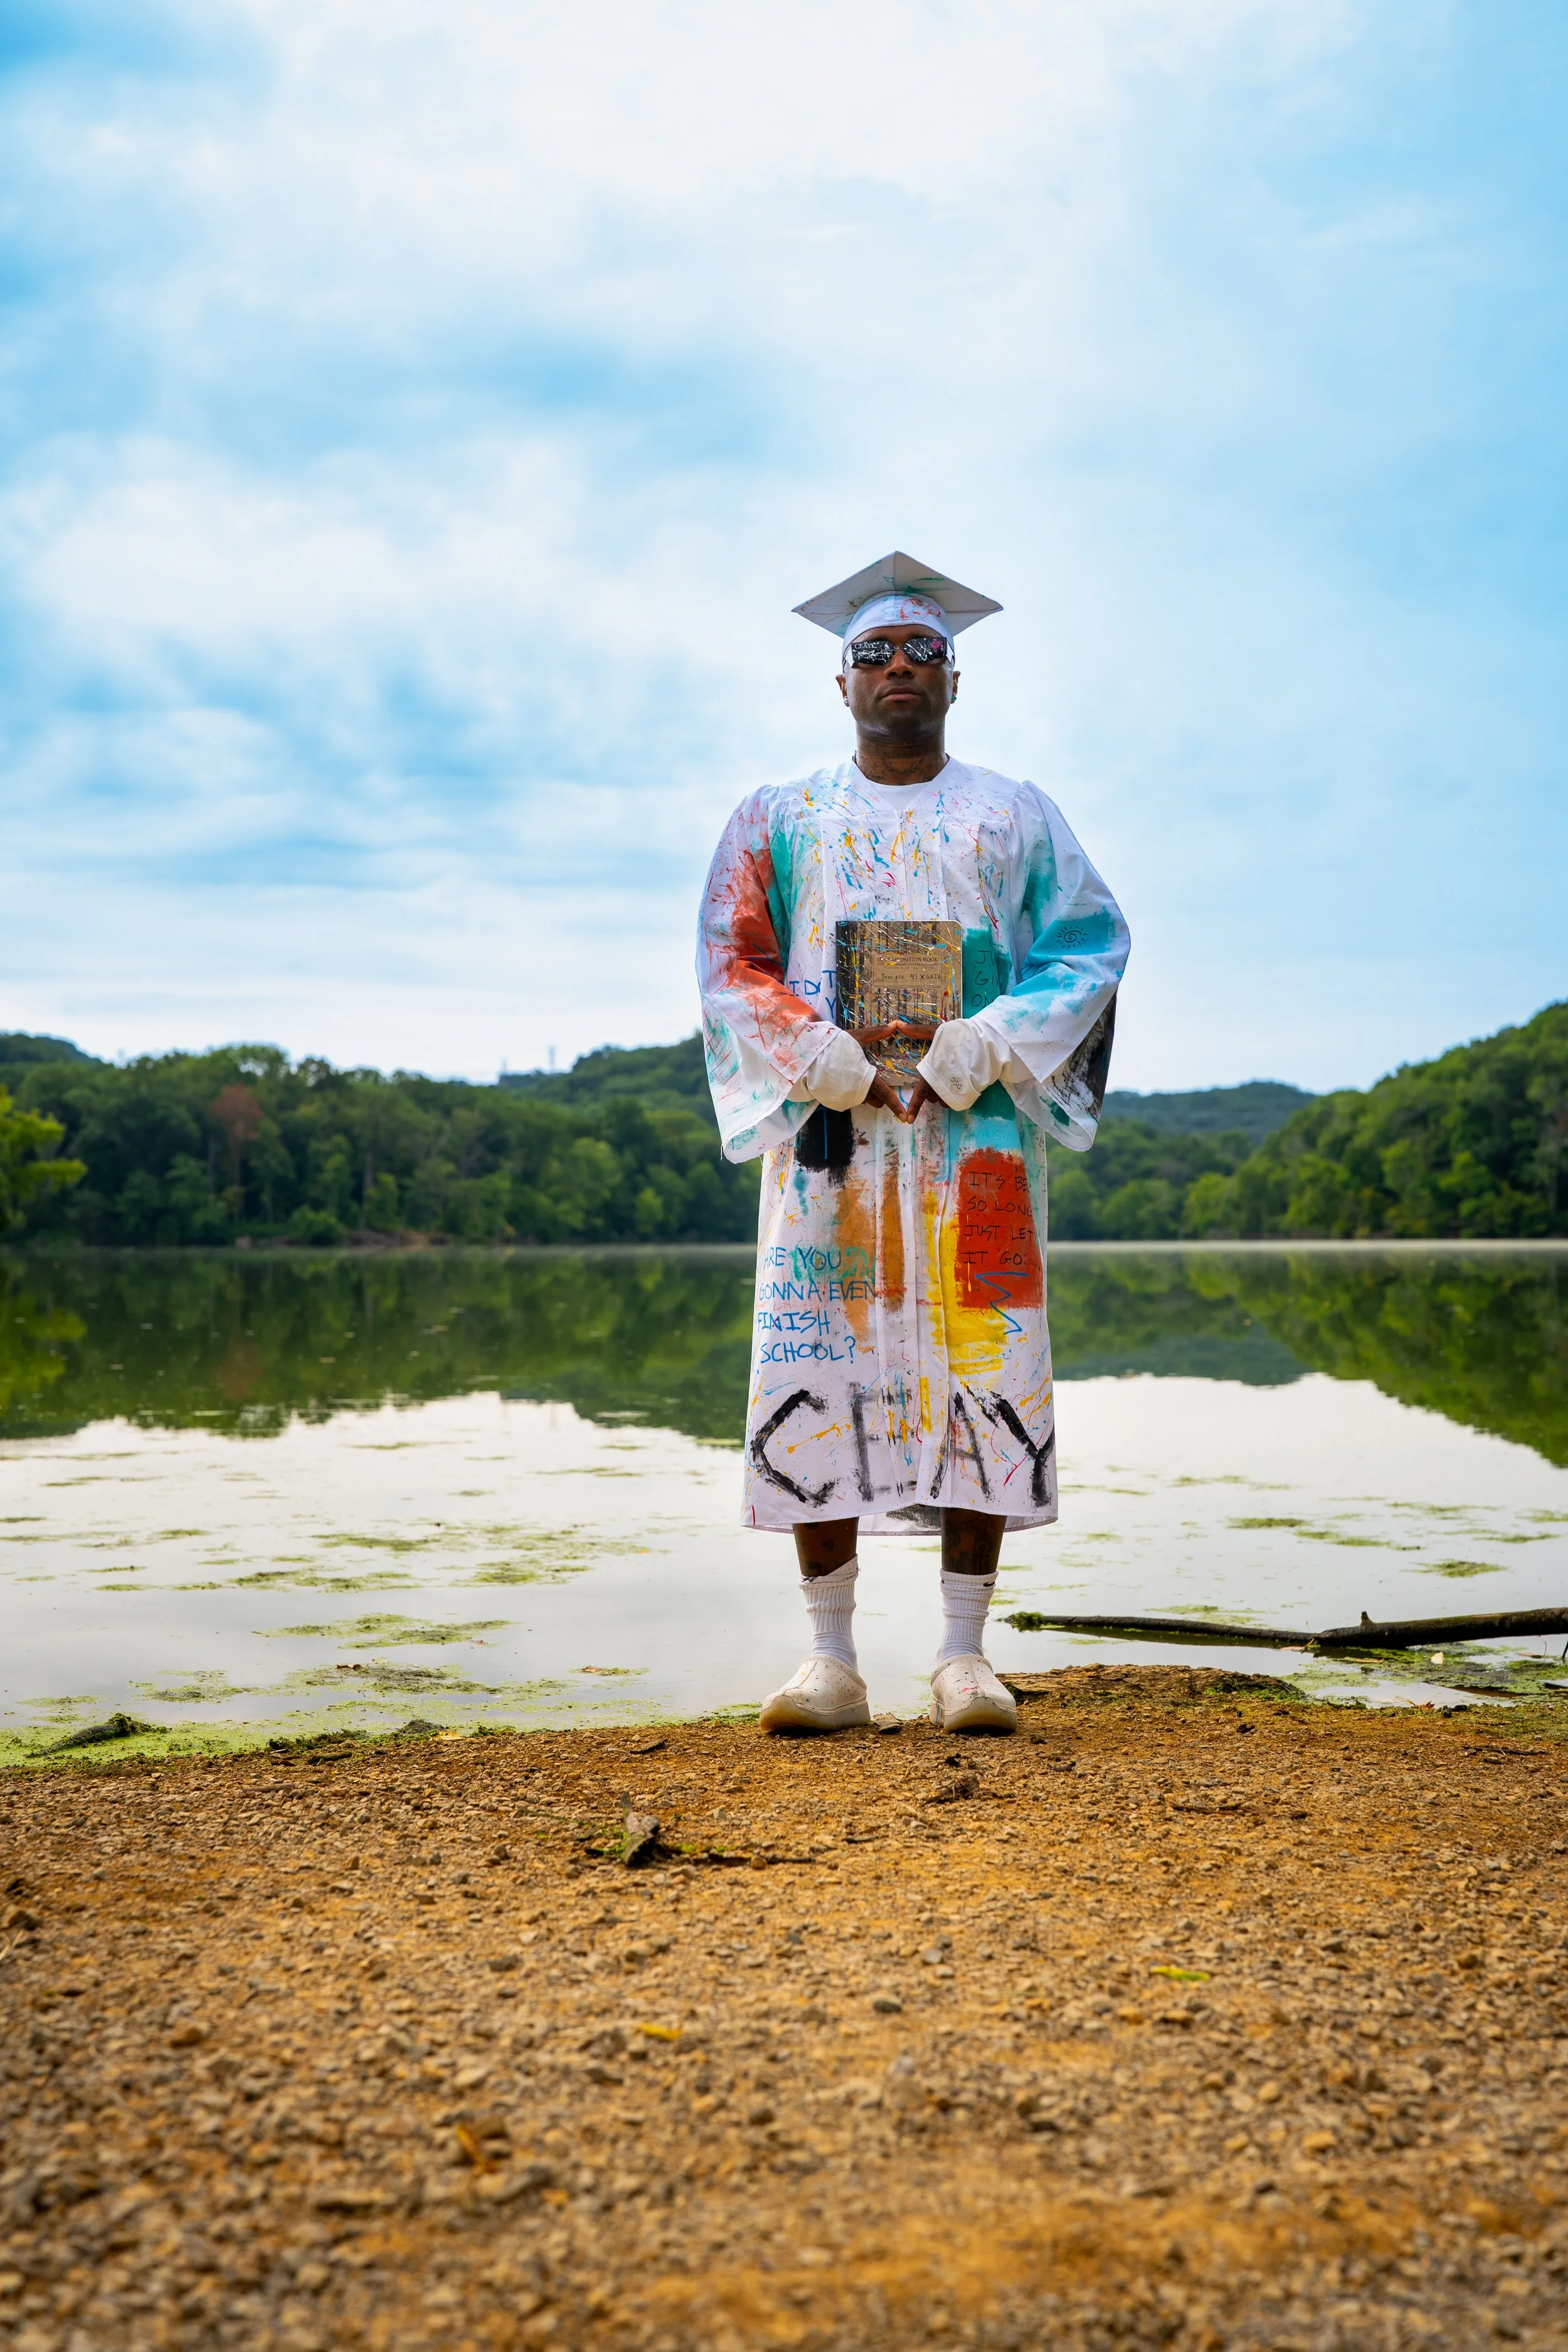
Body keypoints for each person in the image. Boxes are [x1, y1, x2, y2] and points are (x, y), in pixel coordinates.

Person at [697, 552, 1129, 1735]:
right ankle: (829, 1659)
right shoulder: (778, 818)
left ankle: (962, 1653)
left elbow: (1089, 945)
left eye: (921, 653)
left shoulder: (1013, 813)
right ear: (841, 683)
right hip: (829, 1139)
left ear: (955, 675)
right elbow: (731, 961)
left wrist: (990, 1040)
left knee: (982, 1360)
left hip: (973, 1137)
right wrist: (811, 1050)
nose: (899, 669)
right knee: (814, 1362)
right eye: (875, 654)